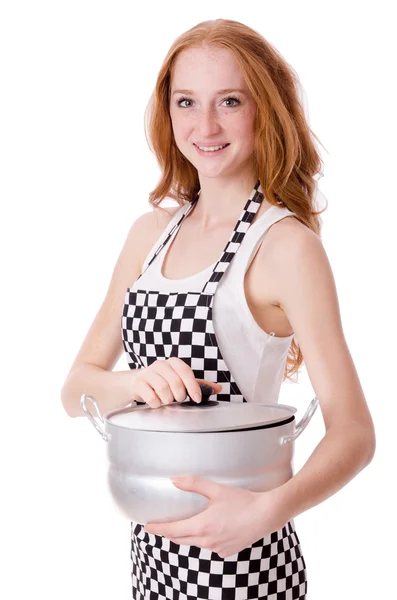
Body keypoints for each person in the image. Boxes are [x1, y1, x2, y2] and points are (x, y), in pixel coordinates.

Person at [61, 18, 376, 600]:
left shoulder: (284, 246)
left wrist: (265, 514)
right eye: (187, 102)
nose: (205, 126)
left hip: (245, 563)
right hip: (151, 555)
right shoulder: (149, 234)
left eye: (229, 101)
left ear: (265, 109)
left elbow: (355, 433)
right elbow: (75, 391)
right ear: (168, 113)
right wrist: (137, 382)